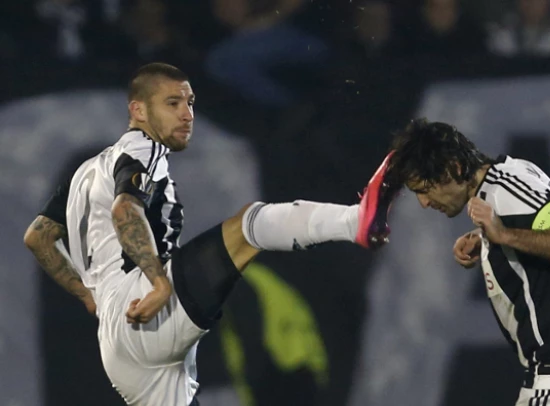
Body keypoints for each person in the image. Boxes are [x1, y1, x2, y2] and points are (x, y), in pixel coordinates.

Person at [22, 62, 397, 406]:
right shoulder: (136, 153)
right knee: (248, 229)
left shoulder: (86, 173)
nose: (186, 114)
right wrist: (158, 283)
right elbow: (124, 211)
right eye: (173, 103)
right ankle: (353, 221)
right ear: (139, 109)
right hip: (146, 309)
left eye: (188, 103)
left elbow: (38, 238)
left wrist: (86, 295)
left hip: (118, 343)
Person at [383, 119, 550, 406]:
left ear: (454, 168)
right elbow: (541, 233)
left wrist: (504, 235)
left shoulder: (506, 190)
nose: (423, 202)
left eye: (424, 188)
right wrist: (487, 239)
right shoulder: (511, 176)